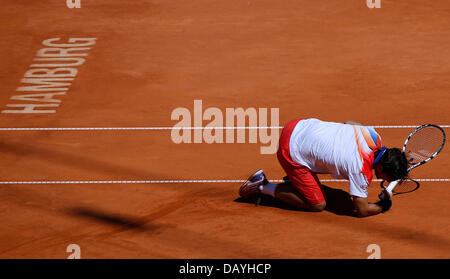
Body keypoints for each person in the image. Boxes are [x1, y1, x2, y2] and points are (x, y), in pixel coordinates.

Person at [238, 118, 409, 217]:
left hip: (298, 125)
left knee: (331, 161)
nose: (384, 180)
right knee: (317, 204)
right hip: (289, 151)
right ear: (381, 166)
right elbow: (361, 210)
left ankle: (297, 182)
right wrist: (383, 205)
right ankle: (261, 186)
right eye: (386, 176)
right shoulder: (360, 170)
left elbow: (348, 122)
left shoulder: (373, 135)